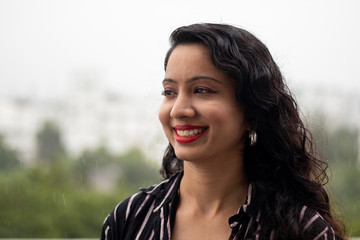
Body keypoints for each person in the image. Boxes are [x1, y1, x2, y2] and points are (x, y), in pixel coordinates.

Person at [100, 23, 346, 240]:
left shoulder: (301, 230)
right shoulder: (129, 219)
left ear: (251, 112)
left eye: (202, 90)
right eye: (169, 92)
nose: (178, 109)